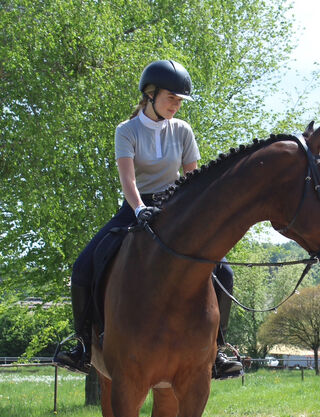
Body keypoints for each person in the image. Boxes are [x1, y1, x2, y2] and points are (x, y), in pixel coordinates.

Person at [54, 59, 242, 378]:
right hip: (136, 207)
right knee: (83, 265)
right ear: (150, 94)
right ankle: (83, 345)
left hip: (176, 209)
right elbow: (128, 180)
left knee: (223, 271)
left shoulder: (182, 131)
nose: (176, 105)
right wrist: (140, 208)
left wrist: (194, 216)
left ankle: (218, 349)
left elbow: (192, 179)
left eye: (180, 100)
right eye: (172, 98)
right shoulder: (126, 131)